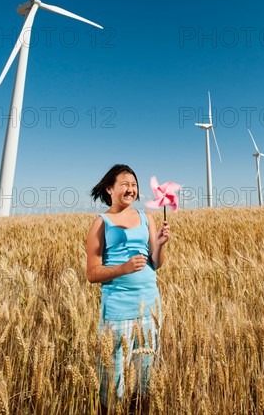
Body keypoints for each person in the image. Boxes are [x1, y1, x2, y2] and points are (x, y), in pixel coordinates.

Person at [87, 164, 170, 413]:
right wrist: (123, 268)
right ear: (109, 189)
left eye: (134, 185)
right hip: (118, 310)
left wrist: (161, 244)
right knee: (113, 383)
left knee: (146, 380)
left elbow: (155, 263)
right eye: (124, 184)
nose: (131, 188)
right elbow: (92, 273)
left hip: (149, 308)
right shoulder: (101, 224)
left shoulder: (147, 218)